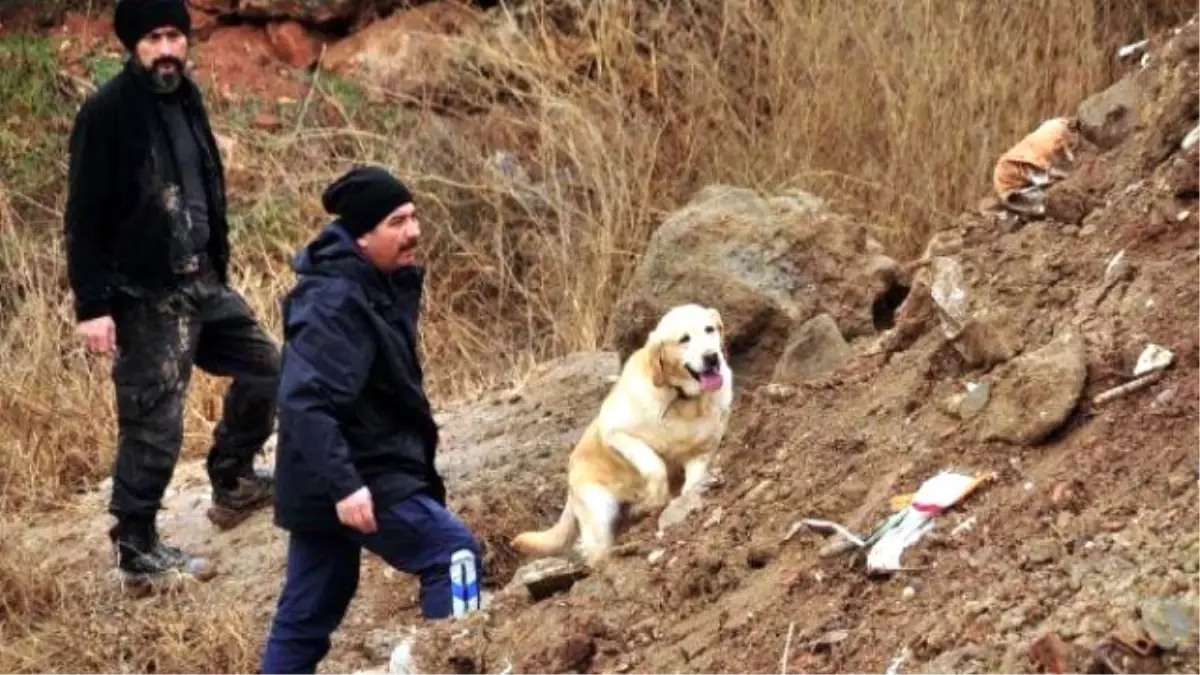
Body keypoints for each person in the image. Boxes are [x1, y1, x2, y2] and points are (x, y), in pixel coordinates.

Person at [62, 0, 278, 582]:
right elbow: (82, 217)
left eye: (174, 36)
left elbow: (202, 188)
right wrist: (94, 306)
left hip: (203, 281)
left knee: (268, 368)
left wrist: (217, 263)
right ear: (133, 45)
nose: (166, 49)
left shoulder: (186, 97)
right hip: (145, 295)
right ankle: (136, 549)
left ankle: (233, 479)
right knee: (154, 421)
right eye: (154, 38)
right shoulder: (106, 113)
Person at [261, 166, 484, 673]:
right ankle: (457, 664)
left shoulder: (370, 283)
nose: (414, 232)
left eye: (413, 216)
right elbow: (304, 400)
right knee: (453, 555)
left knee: (307, 614)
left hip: (333, 470)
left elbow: (369, 383)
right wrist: (345, 486)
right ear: (362, 236)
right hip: (352, 472)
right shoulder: (335, 300)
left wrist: (415, 427)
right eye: (397, 222)